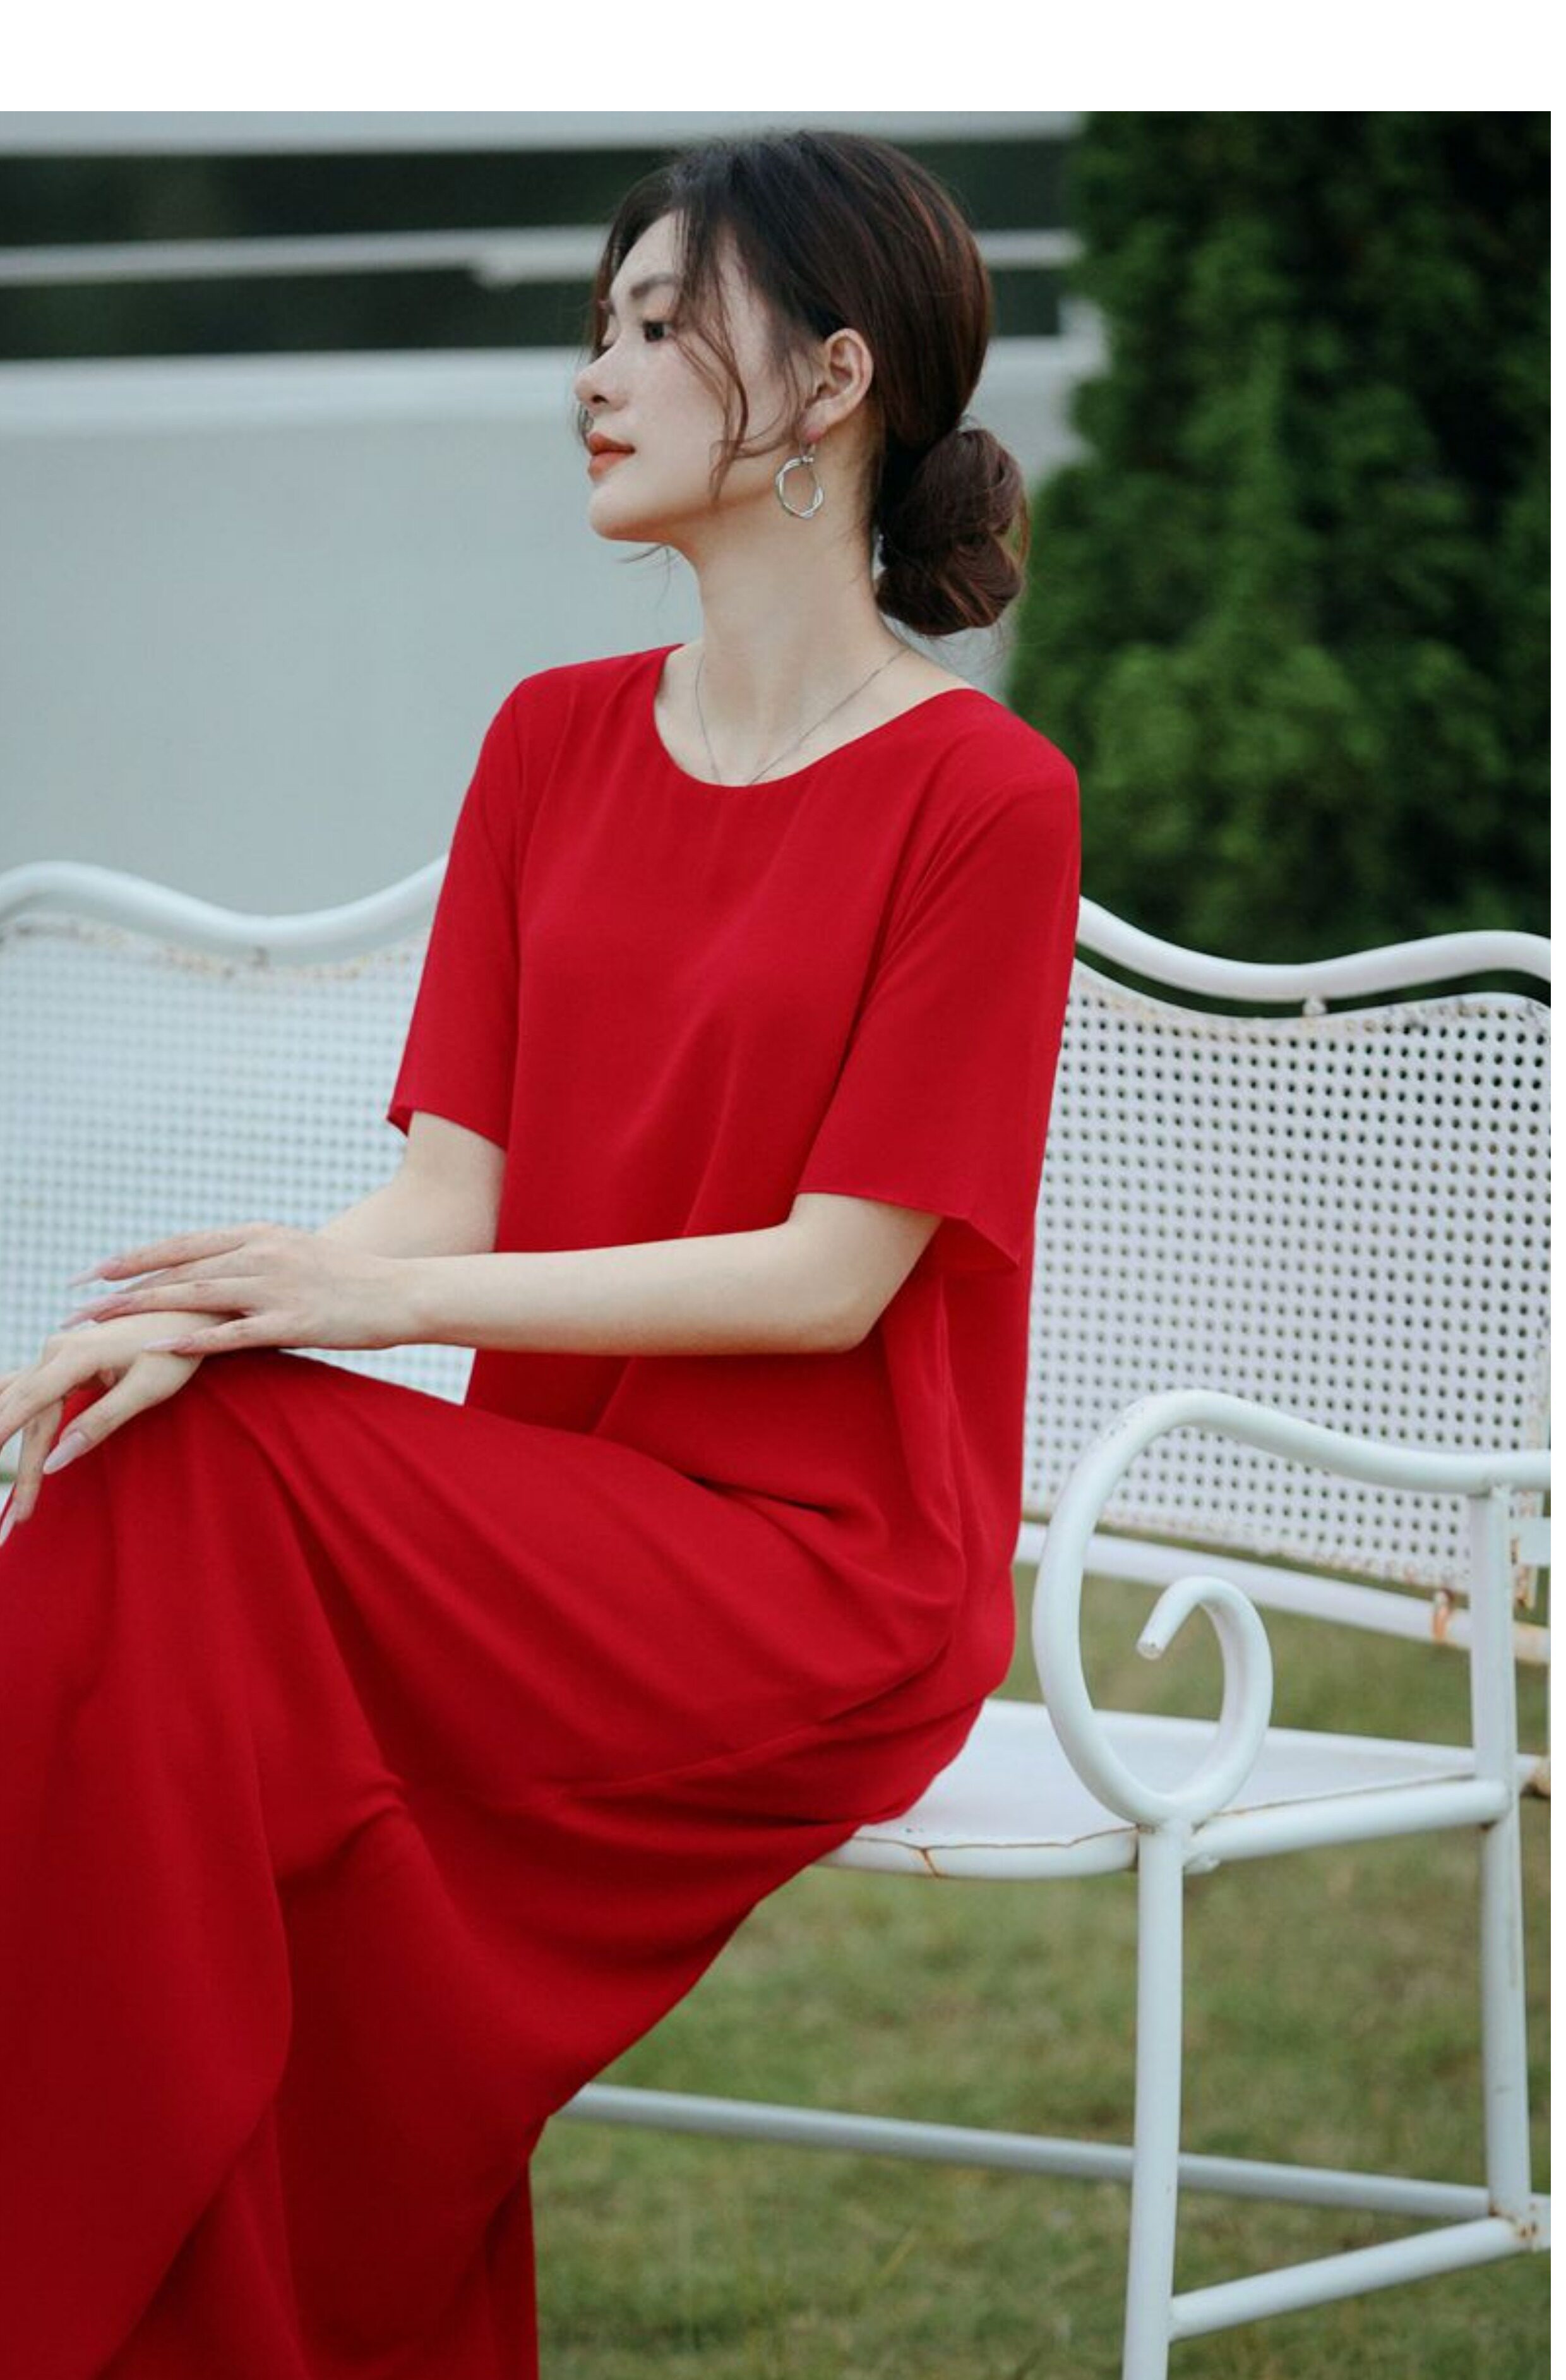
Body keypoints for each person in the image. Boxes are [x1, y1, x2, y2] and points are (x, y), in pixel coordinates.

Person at [0, 128, 1080, 2380]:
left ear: (832, 382)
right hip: (563, 1530)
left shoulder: (983, 800)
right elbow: (447, 1198)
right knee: (170, 1457)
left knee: (214, 1514)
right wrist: (220, 1311)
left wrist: (354, 1309)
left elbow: (829, 1280)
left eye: (660, 321)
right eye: (600, 320)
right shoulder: (549, 741)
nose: (595, 371)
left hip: (822, 1582)